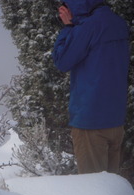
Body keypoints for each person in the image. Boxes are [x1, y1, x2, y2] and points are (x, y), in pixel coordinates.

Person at [52, 0, 130, 174]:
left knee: (93, 187)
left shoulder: (86, 28)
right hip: (115, 120)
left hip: (90, 122)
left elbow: (62, 61)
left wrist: (68, 28)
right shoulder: (118, 23)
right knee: (111, 187)